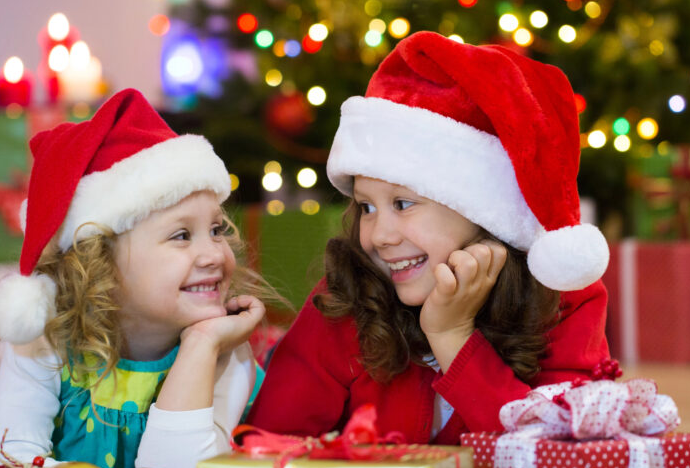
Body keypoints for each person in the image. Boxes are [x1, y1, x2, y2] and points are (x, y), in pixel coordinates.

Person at [248, 31, 611, 443]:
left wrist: (452, 337)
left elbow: (559, 464)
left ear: (482, 211)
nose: (379, 236)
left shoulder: (564, 301)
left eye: (403, 204)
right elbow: (265, 445)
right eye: (366, 207)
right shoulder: (345, 300)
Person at [0, 88, 267, 468]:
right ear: (99, 264)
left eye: (216, 229)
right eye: (182, 235)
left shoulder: (225, 352)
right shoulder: (47, 344)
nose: (214, 253)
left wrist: (200, 347)